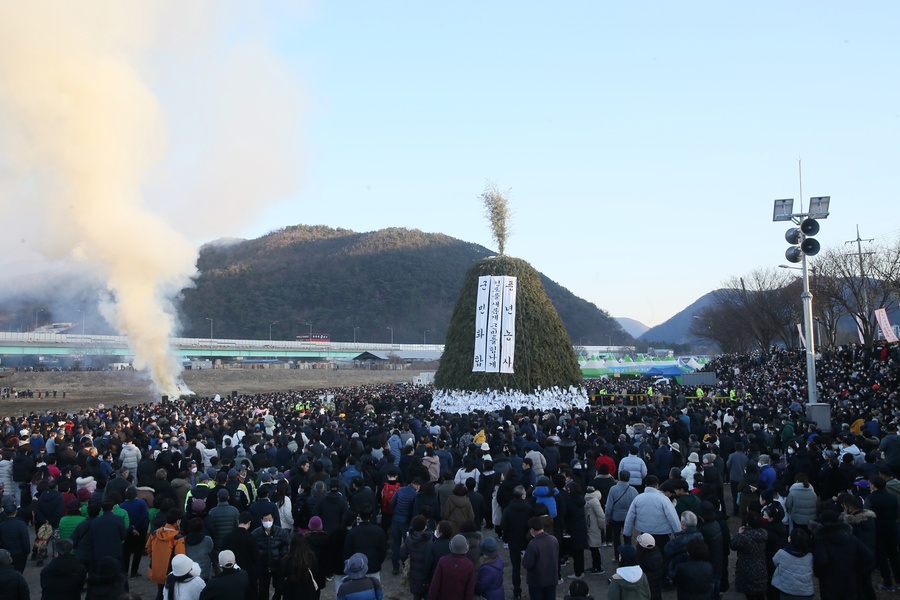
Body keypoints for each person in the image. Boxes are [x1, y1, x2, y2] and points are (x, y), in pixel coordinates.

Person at [622, 475, 680, 553]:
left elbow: (630, 517)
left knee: (646, 554)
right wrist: (678, 532)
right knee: (662, 555)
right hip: (662, 533)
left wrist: (627, 532)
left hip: (644, 532)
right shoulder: (663, 499)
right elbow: (672, 517)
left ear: (645, 485)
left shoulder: (638, 498)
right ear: (657, 485)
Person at [146, 508, 187, 600]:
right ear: (178, 521)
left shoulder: (155, 533)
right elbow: (180, 557)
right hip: (170, 572)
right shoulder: (178, 538)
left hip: (156, 570)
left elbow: (148, 548)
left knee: (160, 591)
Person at [252, 509, 291, 600]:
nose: (268, 522)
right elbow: (253, 548)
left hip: (277, 565)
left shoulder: (280, 532)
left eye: (270, 519)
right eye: (266, 520)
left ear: (273, 519)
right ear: (261, 520)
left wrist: (281, 554)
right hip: (263, 566)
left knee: (279, 588)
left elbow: (286, 544)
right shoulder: (256, 534)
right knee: (263, 591)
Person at [730, 512, 769, 600]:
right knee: (760, 594)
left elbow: (733, 545)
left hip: (747, 569)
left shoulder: (745, 537)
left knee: (749, 594)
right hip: (760, 568)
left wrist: (739, 534)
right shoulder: (763, 533)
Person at [223, 512, 258, 600]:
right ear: (249, 523)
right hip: (248, 574)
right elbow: (256, 558)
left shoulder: (227, 537)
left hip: (231, 573)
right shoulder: (251, 538)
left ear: (238, 521)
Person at [522, 517, 559, 600]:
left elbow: (527, 564)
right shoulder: (553, 540)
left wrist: (524, 557)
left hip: (537, 581)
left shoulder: (533, 544)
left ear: (532, 529)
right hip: (551, 579)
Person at [605, 471, 638, 563]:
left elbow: (609, 506)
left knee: (616, 538)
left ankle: (617, 556)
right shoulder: (633, 490)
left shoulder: (613, 489)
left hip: (616, 517)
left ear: (619, 477)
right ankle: (629, 556)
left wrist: (607, 517)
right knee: (628, 537)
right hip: (628, 516)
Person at [428, 535, 475, 600]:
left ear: (451, 546)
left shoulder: (443, 561)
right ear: (466, 548)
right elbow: (469, 589)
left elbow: (435, 584)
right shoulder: (469, 564)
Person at [771, 528, 814, 600]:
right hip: (806, 592)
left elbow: (775, 562)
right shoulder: (810, 556)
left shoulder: (781, 553)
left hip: (787, 591)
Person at [399, 515, 433, 600]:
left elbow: (402, 554)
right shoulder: (429, 542)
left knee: (416, 596)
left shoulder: (409, 539)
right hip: (426, 576)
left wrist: (406, 563)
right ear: (425, 526)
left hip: (414, 574)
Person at [281, 535, 324, 600]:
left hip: (291, 589)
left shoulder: (287, 559)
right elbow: (316, 572)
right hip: (308, 589)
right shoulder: (311, 557)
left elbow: (282, 575)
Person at [0, 505, 30, 573]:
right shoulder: (21, 524)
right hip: (20, 554)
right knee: (19, 572)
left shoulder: (1, 525)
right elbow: (25, 539)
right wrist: (27, 551)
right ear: (15, 512)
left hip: (6, 554)